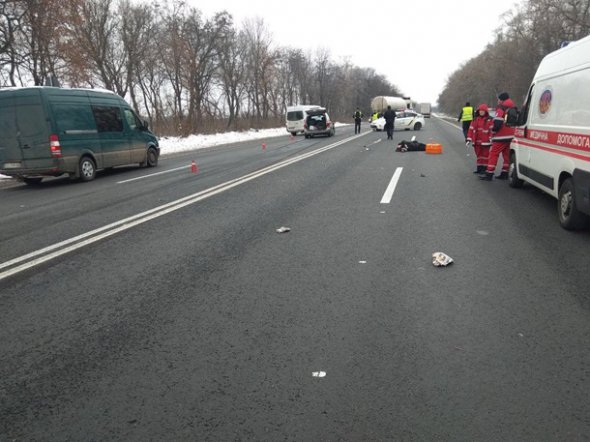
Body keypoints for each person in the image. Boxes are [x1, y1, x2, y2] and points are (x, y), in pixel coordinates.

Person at [480, 92, 517, 181]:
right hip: (511, 135)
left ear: (501, 99)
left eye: (498, 99)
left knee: (493, 154)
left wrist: (493, 130)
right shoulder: (513, 107)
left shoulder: (501, 108)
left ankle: (489, 173)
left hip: (501, 136)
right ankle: (505, 172)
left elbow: (497, 123)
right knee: (506, 155)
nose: (498, 101)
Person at [466, 103, 493, 174]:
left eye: (483, 111)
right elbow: (471, 130)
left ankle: (485, 169)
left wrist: (491, 139)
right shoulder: (475, 120)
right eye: (480, 110)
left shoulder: (489, 120)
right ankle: (479, 168)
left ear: (486, 112)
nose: (481, 112)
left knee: (485, 156)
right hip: (477, 142)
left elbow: (491, 130)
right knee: (479, 155)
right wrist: (469, 139)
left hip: (486, 142)